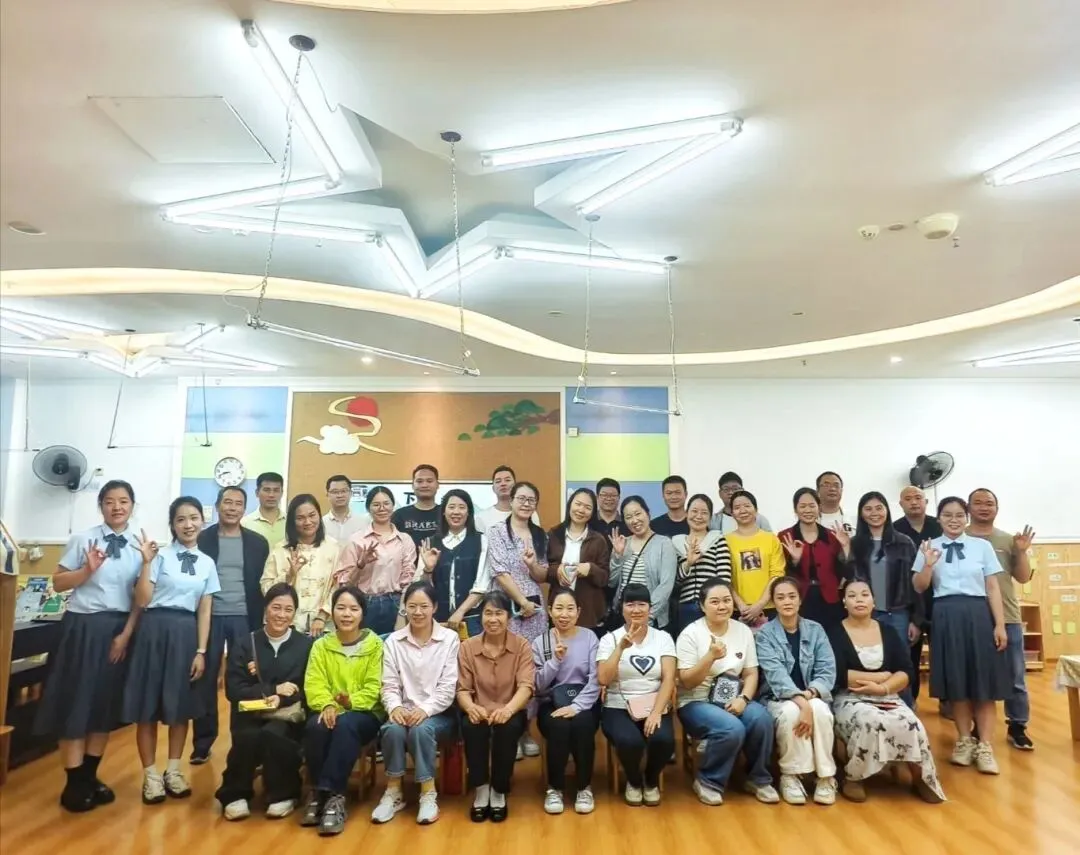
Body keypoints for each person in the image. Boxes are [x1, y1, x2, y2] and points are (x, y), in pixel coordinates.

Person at [34, 480, 143, 812]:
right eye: (109, 501)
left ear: (132, 505)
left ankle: (89, 777)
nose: (116, 507)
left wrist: (125, 635)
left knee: (103, 706)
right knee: (76, 703)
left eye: (123, 501)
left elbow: (140, 598)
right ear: (101, 506)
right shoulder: (83, 539)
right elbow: (57, 582)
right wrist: (86, 570)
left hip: (118, 630)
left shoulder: (140, 545)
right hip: (83, 628)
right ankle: (74, 782)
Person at [123, 497, 219, 804]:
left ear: (202, 521)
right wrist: (146, 563)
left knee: (181, 707)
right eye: (181, 519)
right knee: (147, 707)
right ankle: (151, 775)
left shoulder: (207, 563)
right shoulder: (159, 556)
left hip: (185, 634)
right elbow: (142, 599)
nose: (188, 525)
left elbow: (205, 610)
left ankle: (174, 771)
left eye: (193, 518)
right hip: (153, 632)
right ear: (173, 525)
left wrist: (201, 650)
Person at [912, 497, 1010, 774]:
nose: (953, 520)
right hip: (945, 614)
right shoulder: (928, 546)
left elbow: (993, 587)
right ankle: (964, 740)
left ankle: (985, 746)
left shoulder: (982, 546)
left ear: (966, 518)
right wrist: (928, 565)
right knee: (957, 682)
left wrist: (1000, 625)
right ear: (939, 518)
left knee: (984, 682)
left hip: (978, 614)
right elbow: (918, 587)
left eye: (958, 515)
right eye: (947, 515)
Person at [827, 580, 945, 804]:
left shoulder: (888, 632)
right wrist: (881, 677)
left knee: (911, 723)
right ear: (844, 602)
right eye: (852, 595)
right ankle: (855, 777)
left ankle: (921, 777)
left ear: (873, 601)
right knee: (870, 721)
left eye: (865, 594)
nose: (859, 600)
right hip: (850, 697)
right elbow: (837, 673)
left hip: (887, 695)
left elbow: (906, 670)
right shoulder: (834, 632)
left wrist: (883, 687)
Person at [676, 577, 778, 805]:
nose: (722, 606)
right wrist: (710, 657)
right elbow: (687, 682)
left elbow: (751, 673)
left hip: (734, 697)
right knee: (731, 727)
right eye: (714, 602)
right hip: (696, 701)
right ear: (702, 606)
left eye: (726, 600)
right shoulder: (690, 634)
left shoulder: (742, 631)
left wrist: (744, 698)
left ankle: (758, 778)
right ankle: (708, 781)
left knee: (761, 719)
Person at [215, 583, 313, 821]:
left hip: (287, 715)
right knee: (247, 735)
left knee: (274, 733)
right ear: (265, 609)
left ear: (295, 613)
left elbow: (307, 687)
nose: (281, 615)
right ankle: (235, 794)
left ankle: (284, 794)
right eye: (276, 608)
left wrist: (283, 697)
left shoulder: (305, 645)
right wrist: (272, 690)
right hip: (250, 712)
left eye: (288, 610)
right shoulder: (245, 643)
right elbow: (234, 689)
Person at [192, 485, 271, 764]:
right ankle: (202, 743)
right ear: (217, 506)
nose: (232, 508)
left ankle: (244, 743)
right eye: (227, 502)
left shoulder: (258, 543)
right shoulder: (203, 539)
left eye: (238, 503)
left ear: (244, 509)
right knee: (205, 679)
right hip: (210, 617)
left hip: (244, 617)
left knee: (244, 680)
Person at [373, 580, 460, 826]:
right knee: (391, 729)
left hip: (440, 713)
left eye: (424, 606)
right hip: (404, 710)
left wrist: (425, 709)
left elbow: (448, 687)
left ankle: (428, 793)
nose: (418, 612)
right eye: (412, 606)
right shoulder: (393, 641)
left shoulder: (449, 639)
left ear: (435, 607)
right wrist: (395, 707)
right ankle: (394, 791)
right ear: (405, 608)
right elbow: (389, 684)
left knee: (422, 730)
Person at [301, 586, 385, 836]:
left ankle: (333, 795)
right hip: (327, 709)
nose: (346, 614)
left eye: (353, 609)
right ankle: (319, 793)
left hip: (365, 713)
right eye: (341, 608)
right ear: (332, 612)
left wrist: (349, 703)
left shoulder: (375, 645)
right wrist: (327, 704)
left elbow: (375, 687)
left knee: (346, 726)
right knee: (315, 727)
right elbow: (313, 683)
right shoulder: (321, 646)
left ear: (362, 613)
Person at [756, 577, 838, 806]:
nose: (787, 602)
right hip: (777, 698)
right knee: (791, 712)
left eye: (792, 596)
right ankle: (791, 775)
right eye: (780, 597)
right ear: (773, 602)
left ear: (800, 600)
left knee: (820, 710)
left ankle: (826, 777)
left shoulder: (816, 630)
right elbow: (776, 676)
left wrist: (808, 697)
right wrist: (802, 704)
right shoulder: (764, 634)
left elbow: (827, 671)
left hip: (812, 695)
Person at [966, 488, 1036, 751]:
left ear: (997, 508)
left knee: (1015, 675)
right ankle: (978, 726)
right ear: (968, 507)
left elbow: (1023, 577)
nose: (984, 507)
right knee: (976, 675)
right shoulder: (960, 538)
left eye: (989, 503)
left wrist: (1021, 552)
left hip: (1008, 616)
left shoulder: (1008, 540)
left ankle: (1017, 726)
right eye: (978, 503)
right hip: (973, 617)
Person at [457, 590, 535, 823]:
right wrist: (471, 708)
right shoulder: (467, 647)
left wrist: (508, 710)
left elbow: (526, 686)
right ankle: (481, 789)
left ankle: (499, 790)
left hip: (510, 709)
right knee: (471, 727)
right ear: (480, 616)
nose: (493, 619)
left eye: (499, 613)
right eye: (488, 613)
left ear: (508, 617)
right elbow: (462, 689)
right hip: (478, 708)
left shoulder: (521, 646)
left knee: (507, 729)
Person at [597, 583, 676, 806]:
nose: (636, 609)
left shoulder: (663, 638)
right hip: (618, 705)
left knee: (664, 740)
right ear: (621, 608)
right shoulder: (609, 639)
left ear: (650, 608)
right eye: (630, 604)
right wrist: (620, 648)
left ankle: (650, 780)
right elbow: (603, 679)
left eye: (642, 604)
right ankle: (633, 781)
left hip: (654, 702)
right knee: (629, 742)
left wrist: (656, 713)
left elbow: (669, 678)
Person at [487, 480, 549, 757]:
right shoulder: (497, 531)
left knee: (531, 666)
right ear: (510, 501)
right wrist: (521, 601)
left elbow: (542, 575)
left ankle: (526, 730)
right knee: (504, 666)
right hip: (506, 607)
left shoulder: (540, 535)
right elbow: (499, 571)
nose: (526, 503)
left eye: (531, 499)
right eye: (521, 498)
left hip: (535, 611)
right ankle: (506, 729)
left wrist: (532, 564)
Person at [532, 588, 601, 815]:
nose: (564, 614)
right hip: (551, 702)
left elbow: (596, 679)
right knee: (558, 727)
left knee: (583, 724)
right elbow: (538, 686)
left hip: (584, 700)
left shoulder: (590, 638)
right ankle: (555, 788)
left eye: (570, 608)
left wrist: (577, 706)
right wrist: (555, 661)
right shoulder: (540, 642)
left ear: (578, 612)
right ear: (549, 611)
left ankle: (584, 787)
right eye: (559, 608)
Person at [850, 491, 922, 708]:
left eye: (879, 508)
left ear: (887, 511)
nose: (874, 513)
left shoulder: (904, 542)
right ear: (861, 514)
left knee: (901, 665)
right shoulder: (855, 544)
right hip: (867, 615)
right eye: (868, 509)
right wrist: (844, 550)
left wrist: (916, 620)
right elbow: (848, 579)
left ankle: (906, 710)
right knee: (869, 664)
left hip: (898, 613)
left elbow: (915, 585)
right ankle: (874, 709)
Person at [332, 486, 417, 636]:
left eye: (386, 503)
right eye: (376, 504)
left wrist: (402, 613)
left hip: (396, 603)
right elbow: (345, 585)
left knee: (393, 648)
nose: (382, 508)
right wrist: (360, 565)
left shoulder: (405, 540)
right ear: (368, 508)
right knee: (363, 647)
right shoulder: (357, 540)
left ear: (393, 506)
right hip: (365, 603)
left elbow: (408, 580)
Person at [416, 489, 491, 636]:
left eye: (462, 507)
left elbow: (482, 584)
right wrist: (428, 570)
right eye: (451, 507)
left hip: (472, 618)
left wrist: (460, 612)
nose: (456, 512)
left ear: (469, 512)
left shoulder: (481, 541)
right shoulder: (430, 543)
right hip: (437, 619)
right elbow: (422, 587)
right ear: (444, 512)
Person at [261, 494, 339, 635]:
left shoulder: (333, 547)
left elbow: (338, 586)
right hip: (286, 625)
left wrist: (322, 616)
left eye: (312, 515)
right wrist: (289, 576)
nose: (307, 522)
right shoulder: (280, 550)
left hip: (324, 626)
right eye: (300, 518)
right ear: (292, 521)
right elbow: (266, 589)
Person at [778, 487, 853, 632]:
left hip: (830, 601)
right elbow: (782, 574)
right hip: (799, 600)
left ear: (819, 508)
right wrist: (795, 560)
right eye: (802, 506)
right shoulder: (785, 537)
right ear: (795, 510)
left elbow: (847, 573)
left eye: (812, 505)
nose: (808, 510)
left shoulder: (832, 536)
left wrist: (846, 547)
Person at [893, 486, 943, 702]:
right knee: (909, 654)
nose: (914, 502)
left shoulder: (939, 526)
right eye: (908, 499)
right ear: (900, 504)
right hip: (909, 600)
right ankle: (910, 701)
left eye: (918, 498)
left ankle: (947, 700)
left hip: (938, 598)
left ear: (926, 502)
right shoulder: (894, 530)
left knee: (942, 654)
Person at [546, 488, 611, 635]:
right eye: (578, 504)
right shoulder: (554, 534)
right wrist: (556, 570)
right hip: (559, 611)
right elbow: (544, 569)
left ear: (592, 512)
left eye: (587, 507)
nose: (581, 510)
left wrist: (590, 569)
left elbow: (605, 578)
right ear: (570, 504)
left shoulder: (598, 539)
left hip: (589, 611)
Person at [607, 496, 678, 632]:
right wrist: (617, 556)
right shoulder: (622, 543)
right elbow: (611, 582)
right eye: (628, 517)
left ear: (648, 513)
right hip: (623, 618)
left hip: (652, 620)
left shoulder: (664, 544)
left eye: (638, 514)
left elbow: (666, 585)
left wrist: (647, 616)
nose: (634, 520)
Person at [672, 494, 732, 636]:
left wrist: (714, 601)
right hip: (686, 607)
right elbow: (675, 581)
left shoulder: (718, 539)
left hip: (713, 606)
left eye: (704, 513)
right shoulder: (676, 543)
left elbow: (724, 578)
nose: (698, 516)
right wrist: (688, 563)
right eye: (694, 511)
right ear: (686, 513)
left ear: (710, 517)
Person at [724, 491, 785, 627]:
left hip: (769, 608)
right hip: (737, 610)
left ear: (756, 510)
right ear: (732, 513)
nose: (743, 510)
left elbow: (777, 574)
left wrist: (760, 604)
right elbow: (724, 577)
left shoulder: (771, 539)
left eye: (747, 506)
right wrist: (740, 604)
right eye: (737, 507)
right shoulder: (725, 541)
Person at [477, 465, 539, 532]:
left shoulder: (529, 513)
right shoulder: (482, 517)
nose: (503, 484)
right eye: (498, 481)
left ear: (515, 486)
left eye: (507, 480)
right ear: (493, 488)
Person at [392, 464, 442, 548]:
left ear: (437, 485)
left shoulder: (446, 513)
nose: (424, 485)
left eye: (429, 481)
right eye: (419, 481)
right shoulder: (399, 515)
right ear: (412, 485)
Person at [243, 472, 286, 546]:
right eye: (266, 490)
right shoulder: (245, 523)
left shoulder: (291, 522)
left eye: (276, 490)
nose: (271, 495)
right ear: (257, 493)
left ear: (282, 493)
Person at [322, 474, 368, 542]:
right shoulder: (321, 524)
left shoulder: (364, 522)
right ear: (327, 495)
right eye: (335, 492)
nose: (340, 495)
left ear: (351, 493)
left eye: (343, 491)